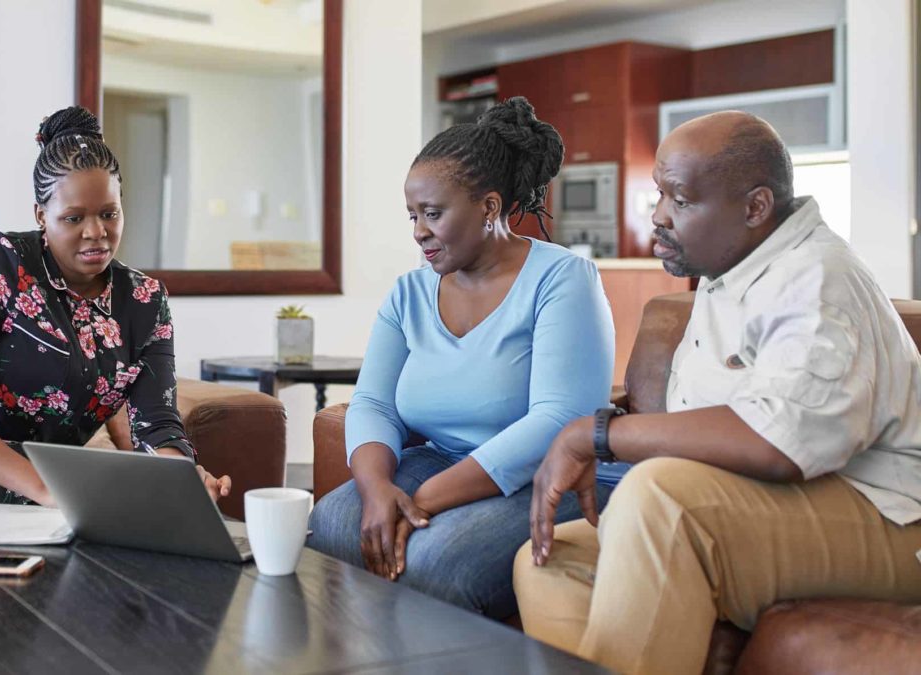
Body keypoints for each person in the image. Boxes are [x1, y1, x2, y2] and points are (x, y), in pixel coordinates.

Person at [514, 111, 921, 675]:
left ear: (754, 208)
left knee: (660, 498)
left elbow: (780, 440)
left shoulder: (816, 280)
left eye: (679, 200)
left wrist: (598, 434)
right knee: (547, 558)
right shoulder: (731, 266)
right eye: (660, 194)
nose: (658, 215)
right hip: (786, 503)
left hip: (890, 519)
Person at [307, 97, 615, 620]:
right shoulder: (408, 294)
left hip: (546, 476)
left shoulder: (561, 279)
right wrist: (378, 487)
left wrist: (424, 499)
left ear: (489, 208)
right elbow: (374, 404)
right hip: (442, 459)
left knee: (438, 562)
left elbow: (561, 419)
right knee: (331, 523)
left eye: (433, 214)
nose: (418, 231)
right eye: (412, 215)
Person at [0, 106, 231, 518]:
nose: (96, 232)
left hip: (53, 471)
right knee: (95, 496)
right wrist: (46, 489)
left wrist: (182, 477)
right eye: (73, 218)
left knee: (126, 494)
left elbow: (156, 423)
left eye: (109, 213)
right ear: (41, 215)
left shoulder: (145, 300)